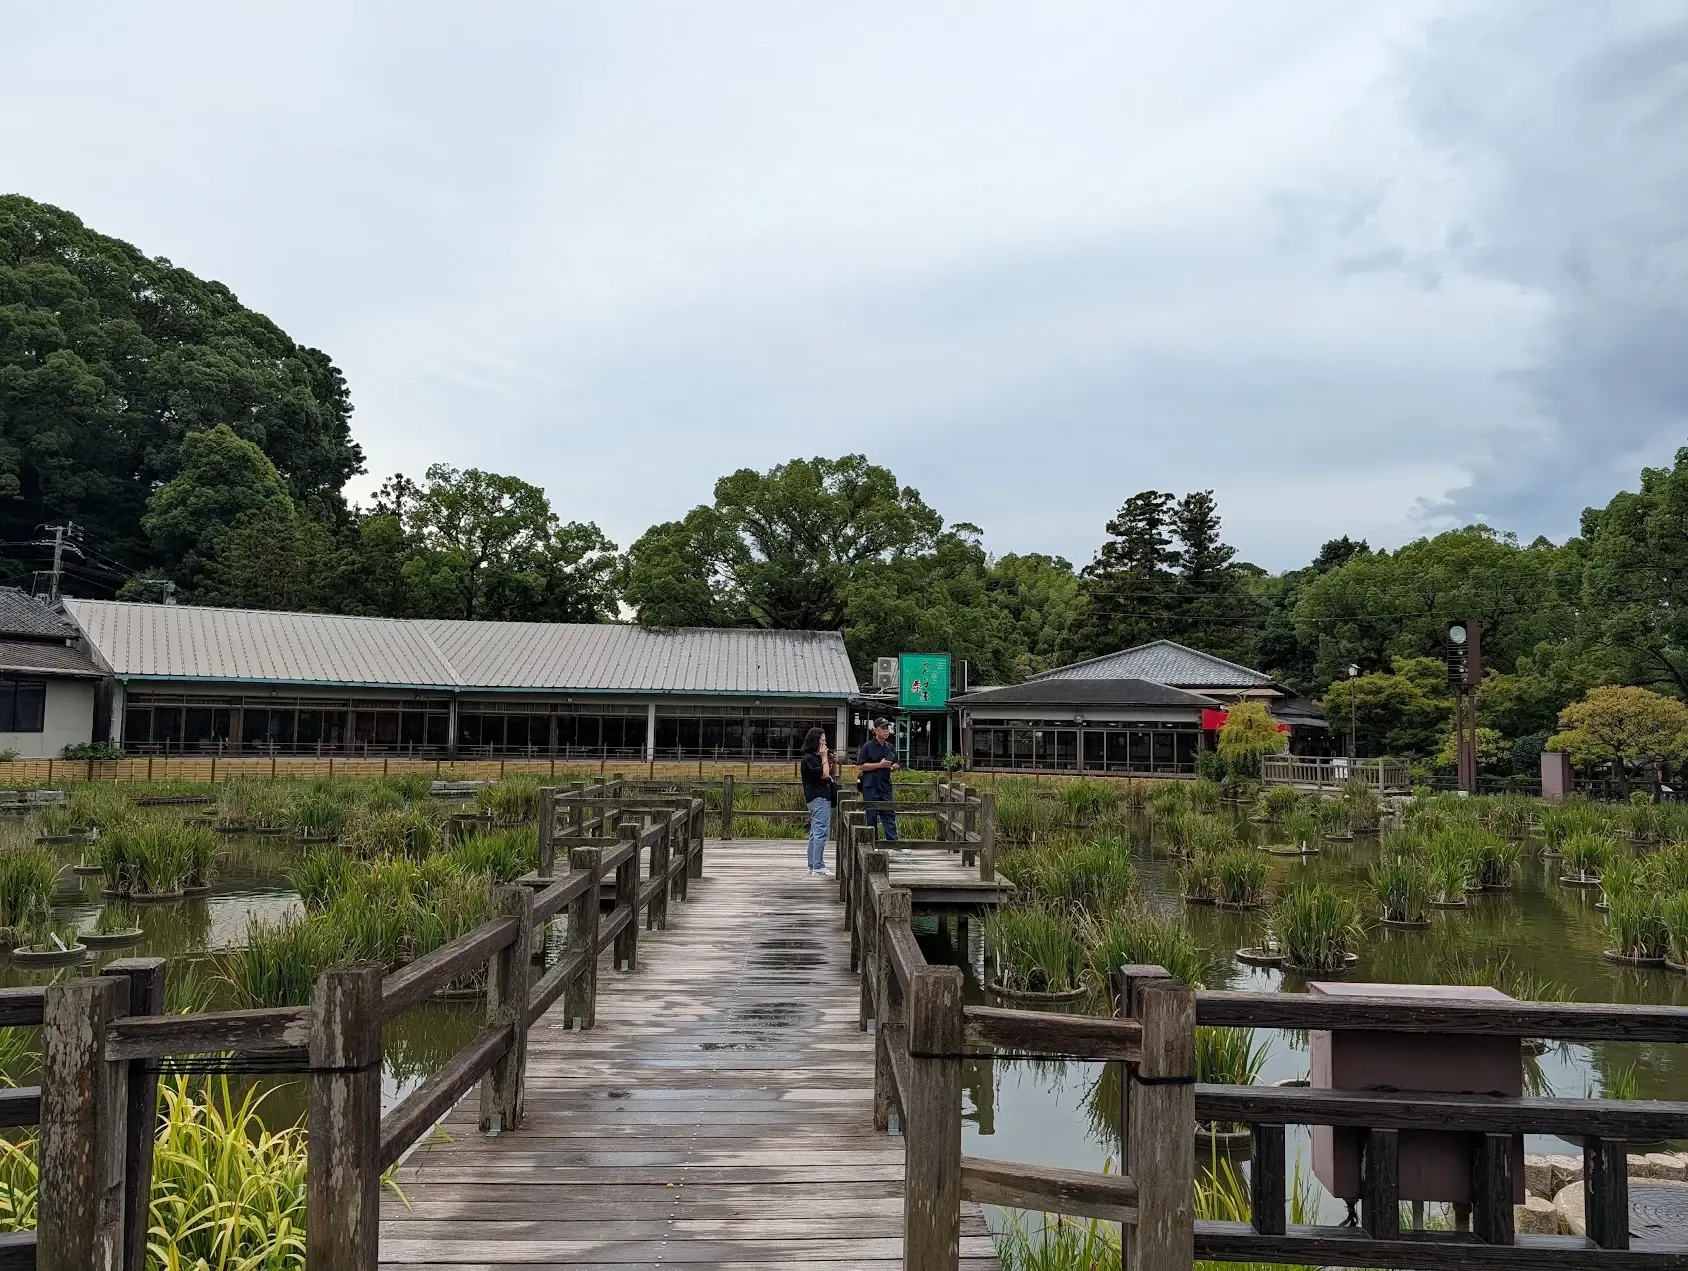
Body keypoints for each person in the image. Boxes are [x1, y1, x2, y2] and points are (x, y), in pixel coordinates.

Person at [799, 726, 839, 877]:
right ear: (815, 741)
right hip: (818, 798)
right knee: (821, 832)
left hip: (821, 797)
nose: (824, 744)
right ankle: (818, 866)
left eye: (825, 741)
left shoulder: (816, 758)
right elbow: (823, 775)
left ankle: (812, 864)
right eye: (822, 741)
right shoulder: (809, 759)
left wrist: (832, 761)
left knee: (815, 833)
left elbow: (831, 774)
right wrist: (824, 757)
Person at [857, 717, 901, 841]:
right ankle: (872, 843)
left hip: (885, 785)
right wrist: (879, 765)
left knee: (889, 813)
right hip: (870, 785)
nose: (886, 731)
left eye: (887, 728)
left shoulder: (890, 747)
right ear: (875, 730)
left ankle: (893, 844)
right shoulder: (867, 746)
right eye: (883, 728)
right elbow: (861, 766)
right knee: (871, 815)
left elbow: (896, 763)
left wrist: (893, 767)